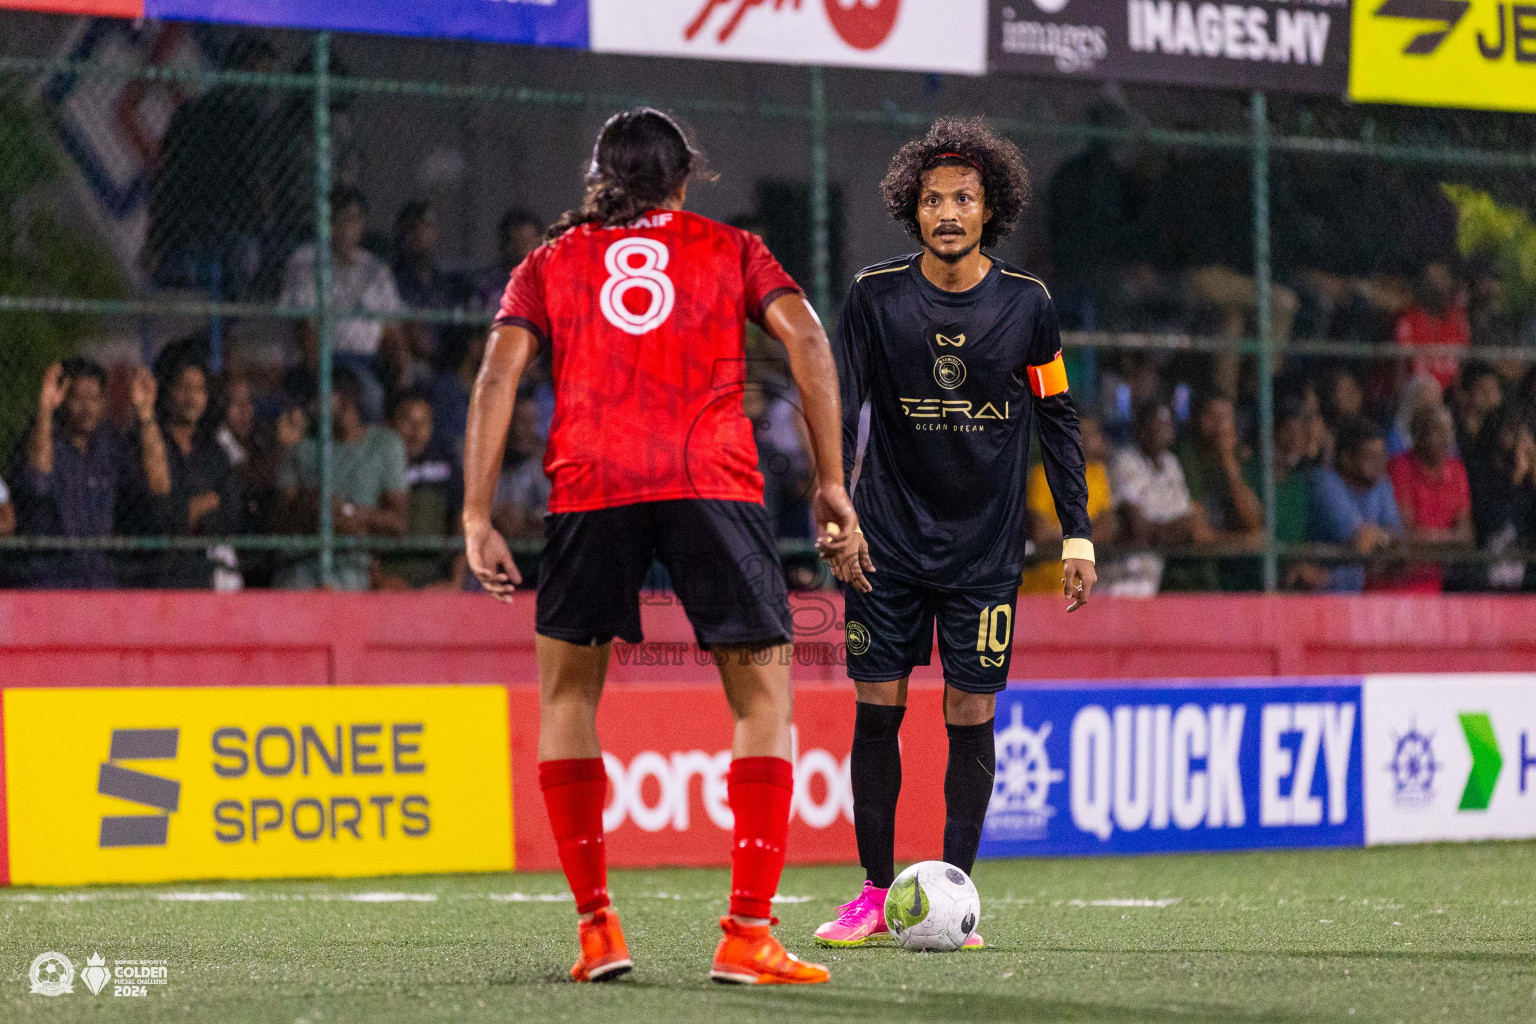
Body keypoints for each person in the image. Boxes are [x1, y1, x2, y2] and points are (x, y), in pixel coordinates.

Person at [460, 108, 859, 986]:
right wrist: (831, 481)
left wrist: (476, 513)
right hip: (711, 481)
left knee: (568, 696)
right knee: (763, 700)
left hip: (590, 485)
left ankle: (598, 929)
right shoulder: (733, 248)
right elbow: (810, 345)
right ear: (686, 178)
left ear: (599, 176)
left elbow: (496, 376)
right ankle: (748, 933)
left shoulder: (548, 261)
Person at [814, 118, 1093, 951]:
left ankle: (957, 896)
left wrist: (1076, 534)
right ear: (912, 207)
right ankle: (870, 893)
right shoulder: (873, 297)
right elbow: (840, 408)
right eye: (932, 198)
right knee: (877, 712)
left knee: (971, 712)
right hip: (886, 547)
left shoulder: (1029, 306)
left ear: (989, 208)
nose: (946, 211)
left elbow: (1058, 417)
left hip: (984, 555)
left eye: (963, 198)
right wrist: (838, 513)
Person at [8, 359, 170, 588]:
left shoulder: (111, 444)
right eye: (78, 398)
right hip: (50, 578)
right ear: (63, 398)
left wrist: (146, 415)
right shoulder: (43, 437)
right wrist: (45, 409)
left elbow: (159, 485)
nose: (87, 407)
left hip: (100, 579)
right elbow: (38, 482)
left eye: (94, 398)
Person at [272, 367, 408, 591]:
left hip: (353, 568)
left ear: (345, 400)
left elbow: (398, 523)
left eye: (319, 398)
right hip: (300, 566)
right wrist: (313, 510)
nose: (312, 407)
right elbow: (281, 518)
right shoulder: (301, 444)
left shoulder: (385, 444)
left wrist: (345, 512)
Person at [280, 188, 405, 424]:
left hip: (366, 362)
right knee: (368, 395)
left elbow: (392, 332)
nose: (346, 227)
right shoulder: (306, 262)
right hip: (326, 361)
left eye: (354, 219)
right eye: (339, 219)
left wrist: (402, 373)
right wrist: (325, 380)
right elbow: (304, 331)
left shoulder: (376, 269)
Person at [153, 357, 243, 589]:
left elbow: (229, 515)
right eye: (183, 388)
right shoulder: (148, 444)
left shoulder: (214, 452)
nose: (192, 398)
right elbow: (156, 518)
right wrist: (194, 509)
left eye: (199, 389)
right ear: (167, 391)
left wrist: (184, 514)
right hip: (155, 576)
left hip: (203, 576)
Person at [1107, 400, 1212, 596]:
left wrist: (1155, 532)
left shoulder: (1172, 463)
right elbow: (1136, 526)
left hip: (1158, 573)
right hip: (1122, 578)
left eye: (1165, 426)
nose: (1161, 432)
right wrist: (1169, 532)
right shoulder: (1124, 460)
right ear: (1141, 428)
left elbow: (1189, 524)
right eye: (1154, 426)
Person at [1174, 392, 1265, 590]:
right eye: (1212, 417)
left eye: (1226, 418)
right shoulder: (1184, 459)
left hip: (1232, 583)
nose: (1220, 426)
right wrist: (1244, 543)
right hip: (1189, 580)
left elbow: (1254, 522)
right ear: (1196, 419)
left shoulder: (1238, 461)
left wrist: (1228, 461)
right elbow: (1198, 534)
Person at [375, 389, 460, 589]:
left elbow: (461, 524)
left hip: (435, 585)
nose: (416, 431)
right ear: (389, 423)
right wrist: (378, 579)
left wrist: (454, 583)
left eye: (424, 423)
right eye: (407, 421)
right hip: (388, 585)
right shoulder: (374, 465)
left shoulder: (446, 465)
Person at [1022, 414, 1115, 593]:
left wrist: (1060, 533)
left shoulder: (1098, 475)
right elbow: (1039, 534)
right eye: (1081, 434)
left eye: (1092, 435)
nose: (1088, 441)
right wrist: (1085, 535)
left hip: (1084, 590)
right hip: (1042, 589)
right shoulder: (1042, 475)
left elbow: (1107, 528)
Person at [1308, 417, 1402, 592]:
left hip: (1354, 597)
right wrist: (1382, 537)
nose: (1380, 464)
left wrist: (1380, 536)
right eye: (1371, 457)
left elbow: (1396, 533)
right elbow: (1358, 540)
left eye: (1382, 456)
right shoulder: (1326, 482)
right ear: (1346, 459)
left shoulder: (1381, 485)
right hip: (1321, 597)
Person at [1386, 404, 1472, 593]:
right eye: (1436, 431)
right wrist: (1449, 538)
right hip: (1399, 581)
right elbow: (1407, 534)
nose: (1444, 439)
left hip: (1435, 579)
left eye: (1448, 432)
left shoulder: (1457, 470)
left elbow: (1466, 536)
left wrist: (1432, 538)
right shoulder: (1400, 468)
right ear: (1417, 435)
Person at [1464, 404, 1536, 590]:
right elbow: (1493, 521)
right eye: (1513, 431)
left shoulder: (1530, 473)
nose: (1521, 441)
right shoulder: (1479, 470)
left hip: (1525, 575)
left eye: (1525, 433)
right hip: (1486, 571)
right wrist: (1517, 476)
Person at [1394, 261, 1470, 390]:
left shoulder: (1458, 319)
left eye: (1443, 278)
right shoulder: (1408, 319)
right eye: (1433, 280)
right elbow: (1400, 368)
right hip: (1416, 392)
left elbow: (1461, 365)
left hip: (1448, 393)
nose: (1439, 286)